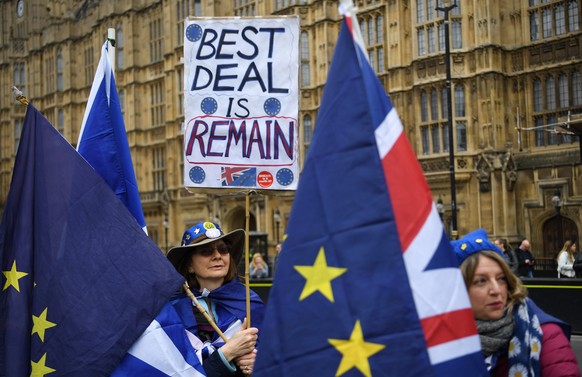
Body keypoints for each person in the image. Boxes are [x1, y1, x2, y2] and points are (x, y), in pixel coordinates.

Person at [451, 229, 580, 376]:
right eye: (481, 281)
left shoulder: (546, 336)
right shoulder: (438, 345)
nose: (496, 290)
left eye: (501, 278)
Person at [167, 221, 266, 376]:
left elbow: (276, 355)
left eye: (223, 249)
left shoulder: (249, 302)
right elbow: (173, 369)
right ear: (189, 266)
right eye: (206, 251)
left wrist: (258, 362)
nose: (217, 256)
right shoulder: (173, 311)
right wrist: (227, 353)